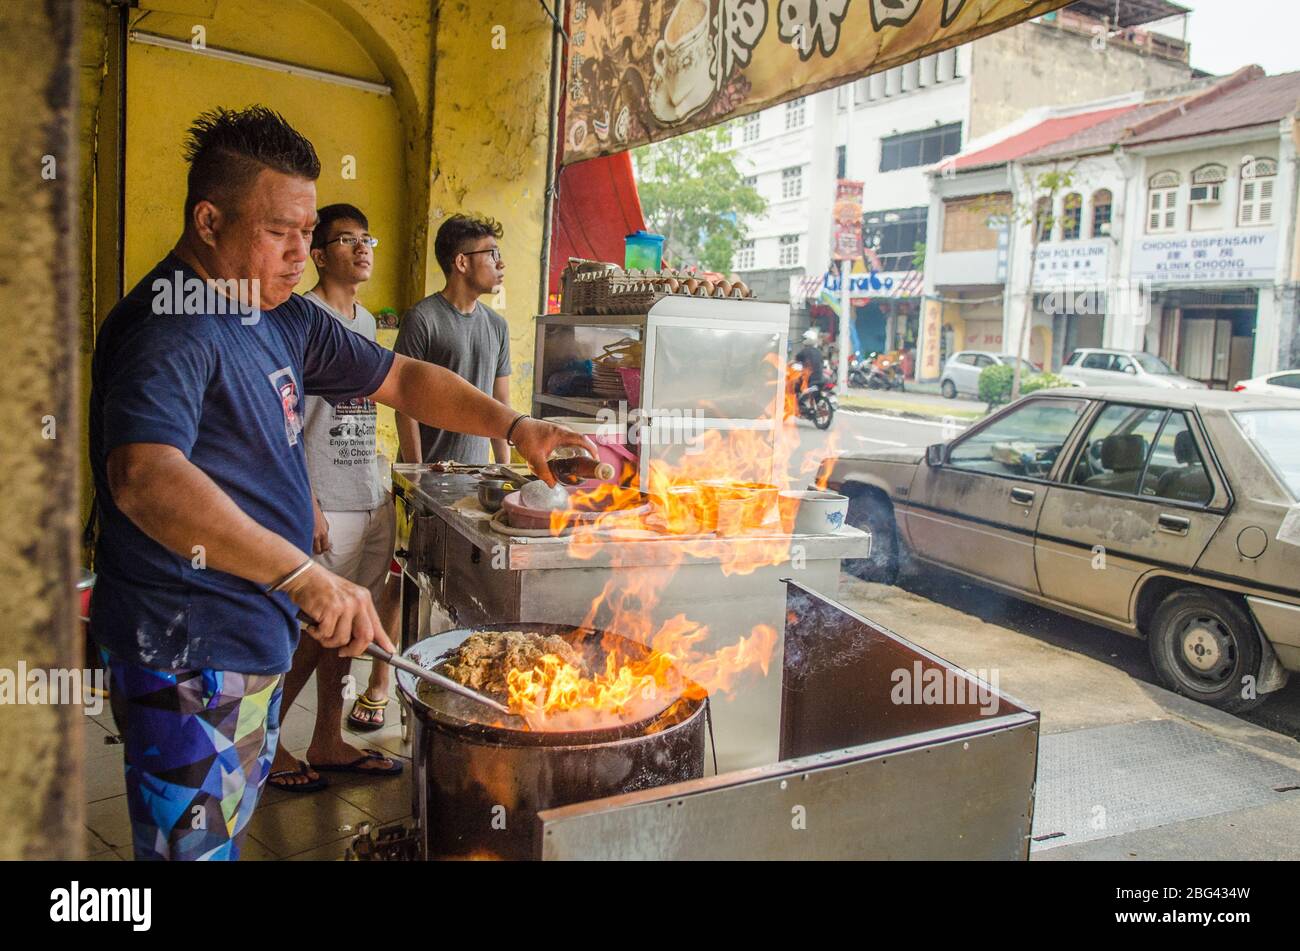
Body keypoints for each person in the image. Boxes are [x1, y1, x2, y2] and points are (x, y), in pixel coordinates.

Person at [88, 106, 594, 860]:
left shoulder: (278, 315)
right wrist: (303, 576)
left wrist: (517, 427)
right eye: (279, 232)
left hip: (250, 630)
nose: (302, 253)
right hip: (187, 649)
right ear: (207, 219)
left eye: (308, 229)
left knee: (223, 827)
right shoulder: (172, 326)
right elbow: (144, 475)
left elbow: (401, 375)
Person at [264, 203, 400, 793]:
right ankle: (265, 747)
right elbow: (284, 422)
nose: (362, 249)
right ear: (319, 254)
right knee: (306, 632)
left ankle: (326, 737)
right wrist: (309, 502)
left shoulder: (366, 321)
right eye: (347, 240)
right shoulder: (299, 318)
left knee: (350, 629)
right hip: (325, 501)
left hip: (367, 492)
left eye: (367, 239)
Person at [393, 214, 512, 466]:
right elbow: (404, 404)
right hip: (429, 472)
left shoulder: (497, 325)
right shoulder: (421, 318)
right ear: (461, 262)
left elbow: (500, 403)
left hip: (475, 475)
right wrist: (417, 473)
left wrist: (504, 469)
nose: (500, 264)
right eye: (492, 254)